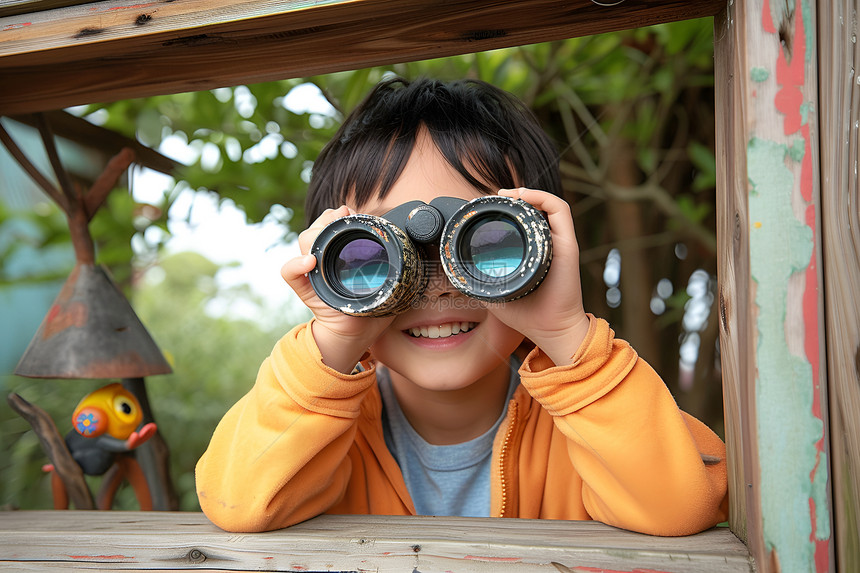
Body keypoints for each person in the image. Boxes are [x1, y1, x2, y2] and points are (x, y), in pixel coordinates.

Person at [195, 77, 728, 535]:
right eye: (377, 254)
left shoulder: (585, 427)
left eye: (484, 244)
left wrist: (566, 335)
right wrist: (332, 343)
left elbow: (683, 502)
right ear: (327, 264)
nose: (437, 283)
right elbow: (240, 503)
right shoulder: (322, 431)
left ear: (541, 250)